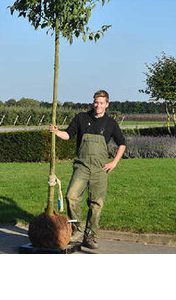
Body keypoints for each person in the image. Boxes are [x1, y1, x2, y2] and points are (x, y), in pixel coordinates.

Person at [49, 90, 126, 249]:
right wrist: (56, 132)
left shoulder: (111, 123)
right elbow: (68, 135)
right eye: (96, 102)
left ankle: (90, 236)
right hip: (82, 166)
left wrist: (114, 163)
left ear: (107, 104)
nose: (98, 105)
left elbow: (122, 144)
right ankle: (78, 228)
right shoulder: (81, 118)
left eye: (101, 103)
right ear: (93, 102)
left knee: (96, 203)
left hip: (99, 169)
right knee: (71, 196)